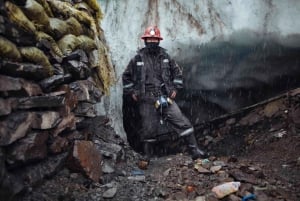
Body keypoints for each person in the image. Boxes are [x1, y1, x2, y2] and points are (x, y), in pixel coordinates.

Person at [122, 25, 206, 160]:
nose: (152, 42)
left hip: (165, 97)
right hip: (146, 98)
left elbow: (178, 73)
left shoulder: (165, 57)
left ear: (159, 41)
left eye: (154, 40)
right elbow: (126, 77)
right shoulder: (137, 59)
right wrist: (132, 91)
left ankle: (194, 151)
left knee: (182, 122)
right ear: (144, 40)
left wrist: (174, 88)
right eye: (149, 39)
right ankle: (148, 156)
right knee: (148, 129)